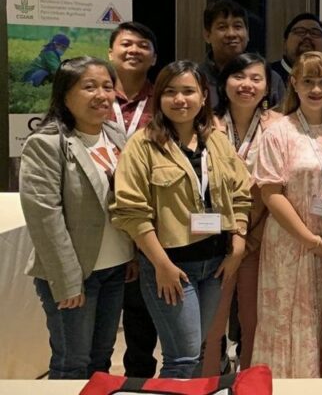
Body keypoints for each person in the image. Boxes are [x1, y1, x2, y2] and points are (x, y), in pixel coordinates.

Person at [112, 60, 252, 379]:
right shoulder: (142, 145)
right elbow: (132, 212)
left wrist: (239, 243)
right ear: (158, 97)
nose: (180, 99)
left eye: (188, 91)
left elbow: (241, 193)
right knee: (182, 357)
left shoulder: (216, 141)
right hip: (171, 267)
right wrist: (161, 265)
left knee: (198, 350)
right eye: (170, 92)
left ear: (203, 96)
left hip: (214, 264)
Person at [20, 56, 134, 379]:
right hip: (75, 273)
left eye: (107, 87)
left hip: (115, 268)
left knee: (101, 359)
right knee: (72, 363)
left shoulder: (115, 134)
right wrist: (68, 280)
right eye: (89, 87)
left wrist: (132, 254)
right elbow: (46, 219)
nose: (101, 95)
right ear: (65, 93)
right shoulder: (46, 143)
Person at [251, 51, 322, 378]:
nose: (316, 89)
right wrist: (310, 240)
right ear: (294, 83)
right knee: (290, 321)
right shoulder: (278, 131)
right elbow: (271, 194)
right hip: (291, 246)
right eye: (308, 81)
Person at [201, 53, 283, 376]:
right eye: (239, 76)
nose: (247, 84)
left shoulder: (280, 126)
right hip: (216, 239)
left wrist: (252, 236)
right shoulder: (205, 124)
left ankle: (249, 383)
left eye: (256, 78)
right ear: (224, 82)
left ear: (267, 87)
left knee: (255, 322)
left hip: (261, 237)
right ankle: (208, 383)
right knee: (212, 324)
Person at [106, 21, 160, 378]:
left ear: (153, 57)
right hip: (100, 223)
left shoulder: (165, 100)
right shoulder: (94, 96)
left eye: (143, 45)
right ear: (110, 52)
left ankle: (138, 382)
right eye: (126, 44)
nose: (134, 50)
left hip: (147, 221)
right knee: (97, 325)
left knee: (141, 323)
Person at [199, 0, 284, 111]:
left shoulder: (270, 78)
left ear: (247, 34)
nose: (231, 34)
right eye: (222, 27)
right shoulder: (196, 78)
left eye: (237, 26)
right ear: (207, 35)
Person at [269, 13, 322, 103]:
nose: (307, 36)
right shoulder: (268, 76)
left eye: (315, 33)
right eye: (300, 32)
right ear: (285, 43)